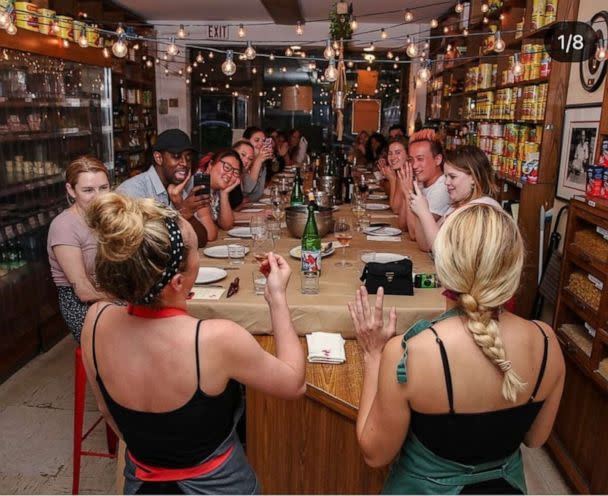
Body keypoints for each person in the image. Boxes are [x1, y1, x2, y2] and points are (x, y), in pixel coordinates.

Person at [80, 192, 306, 494]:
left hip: (141, 484)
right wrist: (277, 297)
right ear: (176, 282)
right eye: (197, 251)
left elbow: (108, 412)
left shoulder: (95, 321)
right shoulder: (214, 339)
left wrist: (158, 456)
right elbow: (294, 383)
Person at [349, 204, 565, 495]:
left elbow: (374, 454)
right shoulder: (548, 342)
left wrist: (374, 354)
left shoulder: (410, 355)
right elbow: (535, 438)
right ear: (514, 267)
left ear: (444, 265)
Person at [47, 156, 112, 343]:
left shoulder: (107, 217)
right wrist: (127, 298)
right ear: (71, 190)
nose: (99, 196)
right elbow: (84, 291)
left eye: (104, 188)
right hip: (81, 304)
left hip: (108, 295)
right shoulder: (64, 226)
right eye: (88, 190)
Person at [117, 129, 209, 247]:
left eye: (188, 158)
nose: (185, 163)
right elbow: (142, 246)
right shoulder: (133, 191)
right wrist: (183, 213)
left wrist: (183, 209)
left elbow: (201, 241)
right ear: (158, 158)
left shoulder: (179, 189)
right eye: (177, 157)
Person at [408, 144, 501, 251]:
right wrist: (419, 213)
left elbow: (441, 252)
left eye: (452, 177)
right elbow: (425, 245)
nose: (446, 182)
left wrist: (424, 213)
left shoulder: (483, 210)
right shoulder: (458, 205)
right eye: (446, 176)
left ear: (473, 178)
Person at [395, 129, 450, 249]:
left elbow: (415, 234)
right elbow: (402, 225)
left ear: (437, 160)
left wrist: (409, 192)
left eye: (420, 159)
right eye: (411, 160)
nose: (414, 166)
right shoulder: (421, 183)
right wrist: (406, 193)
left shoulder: (443, 188)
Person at [197, 149, 243, 241]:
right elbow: (210, 235)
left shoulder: (216, 188)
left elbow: (227, 225)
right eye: (227, 167)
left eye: (236, 172)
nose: (230, 174)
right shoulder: (200, 181)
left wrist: (224, 193)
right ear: (210, 165)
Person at [242, 126, 273, 202]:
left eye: (263, 141)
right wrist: (259, 160)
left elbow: (258, 194)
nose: (261, 144)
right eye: (256, 140)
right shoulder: (241, 161)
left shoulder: (262, 163)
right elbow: (248, 189)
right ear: (245, 141)